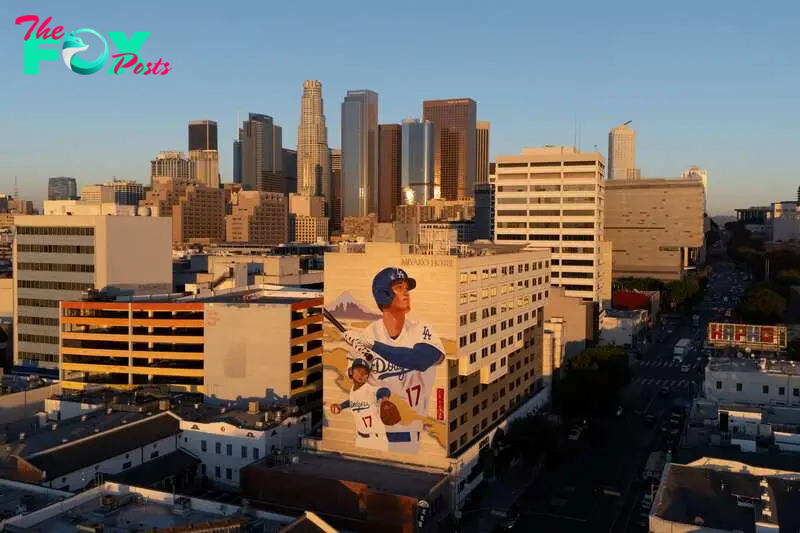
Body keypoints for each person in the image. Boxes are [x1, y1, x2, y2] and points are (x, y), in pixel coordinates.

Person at [343, 267, 445, 454]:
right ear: (384, 294)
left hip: (408, 436)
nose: (406, 292)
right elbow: (356, 383)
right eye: (399, 287)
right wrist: (358, 357)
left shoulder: (422, 330)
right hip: (370, 437)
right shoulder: (366, 335)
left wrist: (373, 346)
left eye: (406, 287)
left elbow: (419, 359)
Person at [330, 358, 391, 451]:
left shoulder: (369, 389)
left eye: (365, 372)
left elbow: (383, 390)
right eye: (358, 370)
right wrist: (341, 406)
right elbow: (352, 401)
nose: (361, 374)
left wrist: (385, 399)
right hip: (360, 438)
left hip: (377, 439)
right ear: (351, 372)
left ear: (368, 376)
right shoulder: (353, 389)